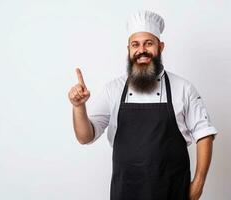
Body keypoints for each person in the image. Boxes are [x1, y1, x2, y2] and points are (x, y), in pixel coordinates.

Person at [68, 10, 218, 200]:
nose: (142, 50)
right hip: (125, 192)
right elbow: (85, 137)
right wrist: (78, 107)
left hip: (173, 192)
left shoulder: (183, 88)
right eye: (135, 44)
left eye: (149, 43)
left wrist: (198, 184)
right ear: (129, 49)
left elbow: (204, 134)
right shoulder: (113, 90)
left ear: (160, 47)